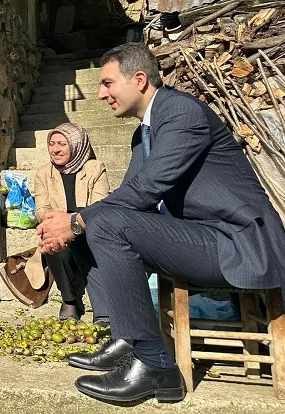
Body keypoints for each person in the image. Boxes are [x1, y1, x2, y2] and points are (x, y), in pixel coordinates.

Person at [36, 42, 285, 404]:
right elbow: (133, 197)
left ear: (138, 80)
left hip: (239, 243)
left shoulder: (182, 113)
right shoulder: (144, 133)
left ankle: (154, 366)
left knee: (101, 222)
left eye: (107, 83)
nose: (101, 93)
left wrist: (75, 220)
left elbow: (147, 190)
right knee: (97, 223)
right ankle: (126, 337)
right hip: (200, 238)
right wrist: (71, 226)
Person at [33, 122, 110, 323]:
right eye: (51, 143)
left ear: (76, 145)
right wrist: (54, 221)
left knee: (84, 242)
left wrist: (69, 219)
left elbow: (100, 206)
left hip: (86, 228)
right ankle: (70, 300)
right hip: (57, 231)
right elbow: (40, 210)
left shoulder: (95, 168)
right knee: (51, 240)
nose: (55, 149)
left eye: (62, 144)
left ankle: (103, 309)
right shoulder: (44, 172)